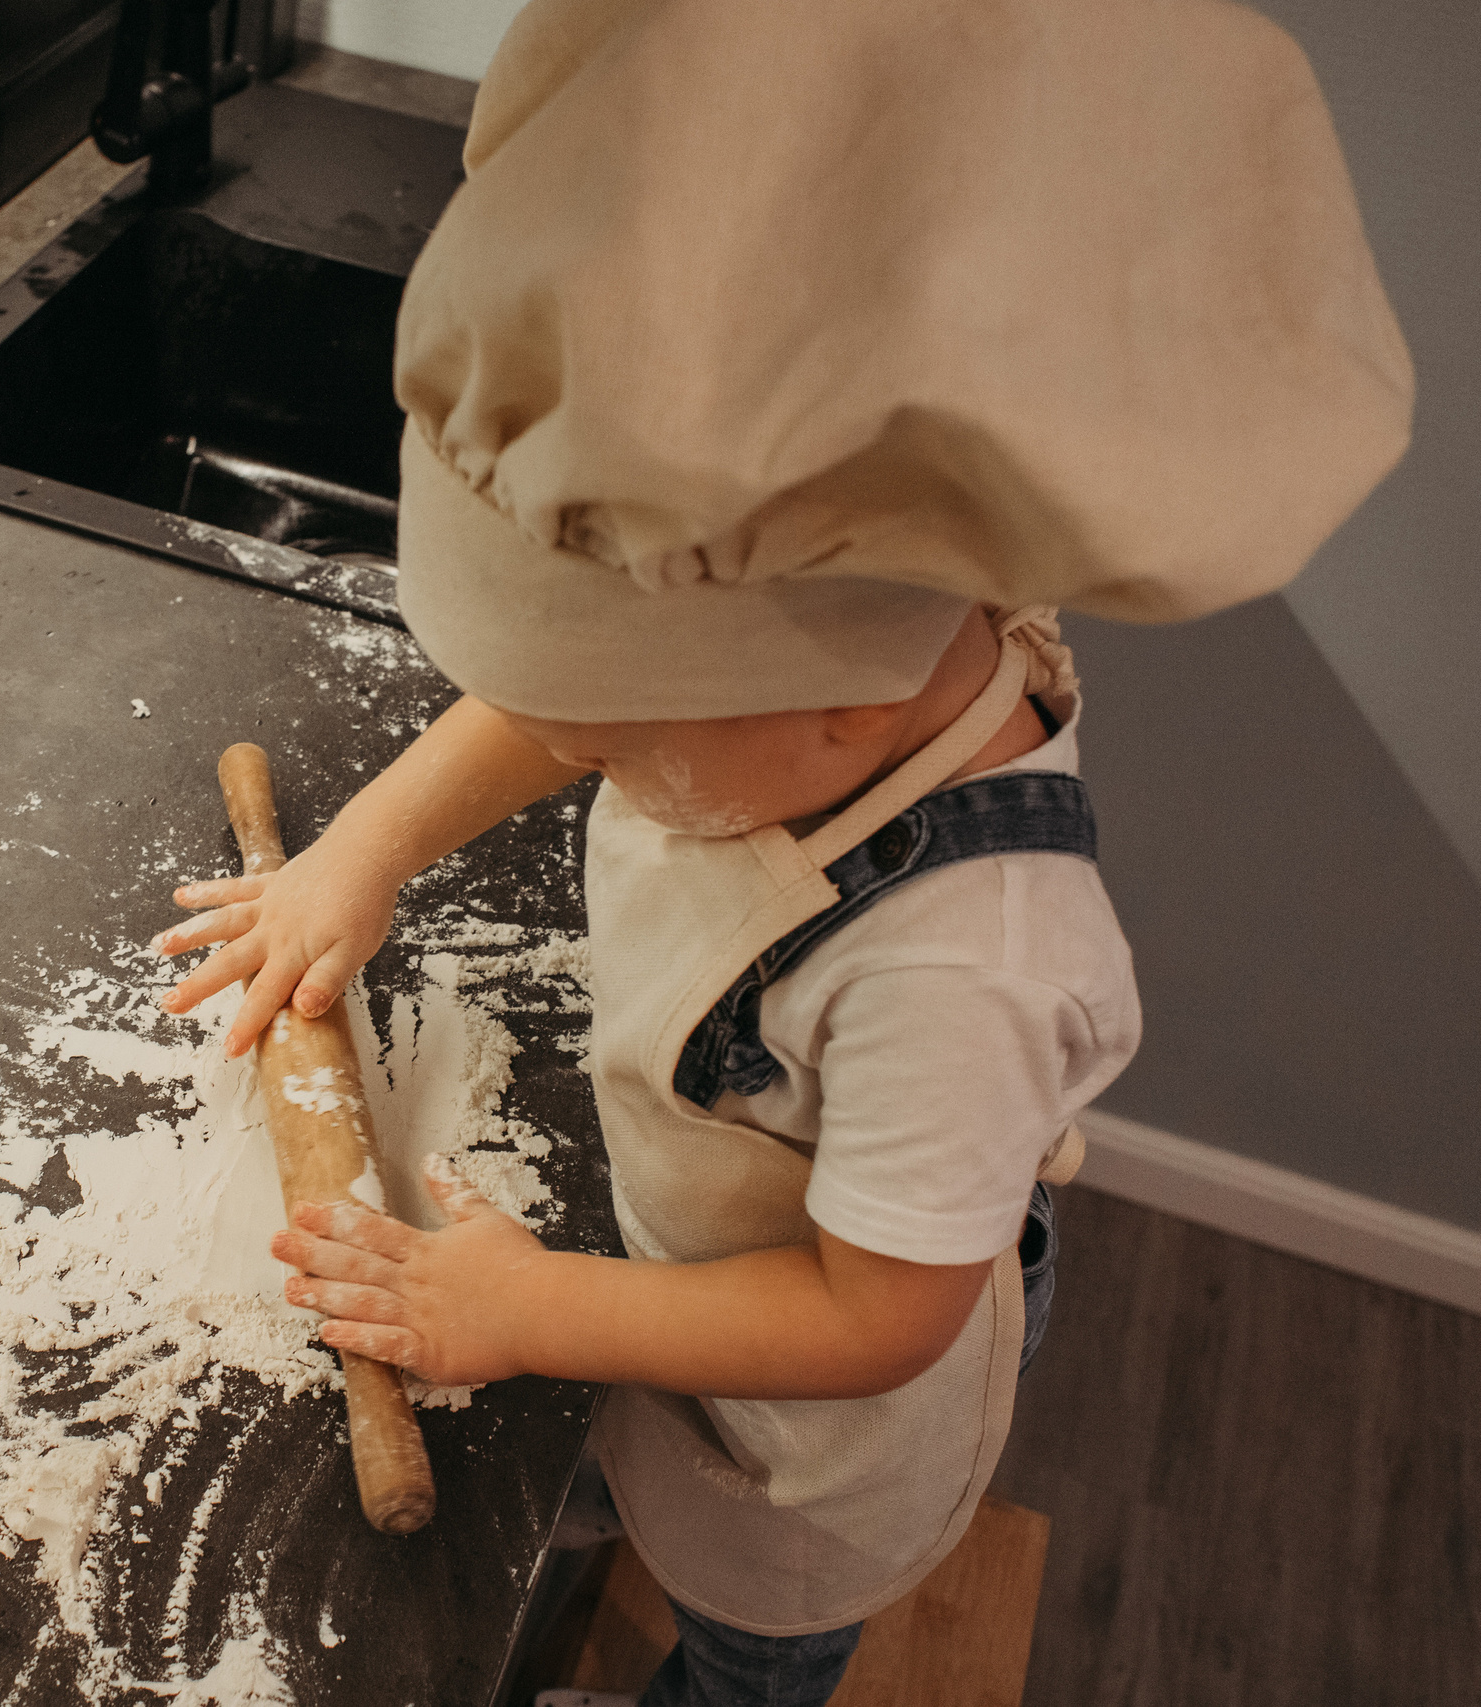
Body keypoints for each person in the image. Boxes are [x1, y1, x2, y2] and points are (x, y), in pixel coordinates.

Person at [153, 0, 1412, 1701]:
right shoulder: (822, 673)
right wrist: (361, 851)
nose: (570, 751)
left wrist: (523, 1318)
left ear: (825, 708)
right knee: (624, 1458)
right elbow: (569, 697)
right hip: (686, 1277)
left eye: (611, 744)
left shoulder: (961, 969)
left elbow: (867, 1318)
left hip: (819, 1419)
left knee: (755, 1638)